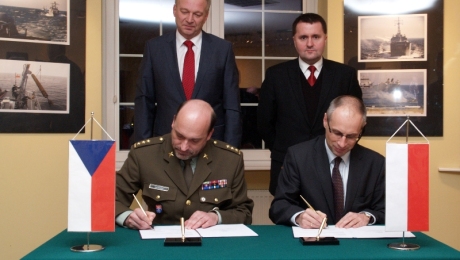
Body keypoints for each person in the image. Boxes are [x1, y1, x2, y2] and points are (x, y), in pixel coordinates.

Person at [257, 13, 362, 195]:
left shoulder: (345, 75)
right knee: (287, 217)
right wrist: (286, 150)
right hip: (287, 165)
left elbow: (358, 121)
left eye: (316, 37)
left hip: (333, 165)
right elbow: (264, 124)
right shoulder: (276, 75)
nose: (310, 43)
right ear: (294, 40)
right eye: (303, 37)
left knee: (332, 221)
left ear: (325, 39)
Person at [116, 99, 253, 230]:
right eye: (179, 136)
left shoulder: (230, 160)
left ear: (209, 134)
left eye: (194, 140)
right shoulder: (144, 155)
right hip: (160, 245)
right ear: (173, 122)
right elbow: (108, 200)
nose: (183, 147)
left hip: (212, 247)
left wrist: (216, 217)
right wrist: (127, 217)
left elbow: (244, 212)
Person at [134, 0, 241, 148]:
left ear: (206, 16)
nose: (190, 20)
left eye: (197, 14)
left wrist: (231, 150)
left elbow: (232, 106)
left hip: (211, 144)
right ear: (175, 10)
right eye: (184, 12)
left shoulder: (222, 50)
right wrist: (143, 147)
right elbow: (144, 101)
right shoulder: (154, 49)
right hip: (165, 142)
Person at [269, 95, 385, 228]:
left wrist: (367, 217)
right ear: (325, 121)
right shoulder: (298, 157)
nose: (342, 143)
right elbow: (279, 206)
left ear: (362, 128)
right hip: (313, 244)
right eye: (336, 133)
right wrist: (300, 216)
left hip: (358, 245)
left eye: (352, 136)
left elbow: (386, 210)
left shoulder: (376, 163)